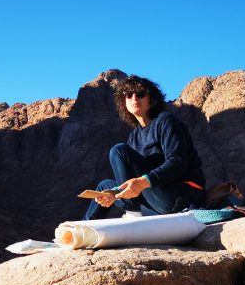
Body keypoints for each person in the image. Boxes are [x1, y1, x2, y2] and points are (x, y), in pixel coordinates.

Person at [83, 75, 206, 221]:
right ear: (123, 102)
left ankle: (132, 212)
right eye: (128, 95)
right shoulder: (134, 136)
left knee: (118, 150)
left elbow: (178, 162)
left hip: (183, 193)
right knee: (105, 188)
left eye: (140, 94)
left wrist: (142, 182)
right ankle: (79, 231)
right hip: (155, 195)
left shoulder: (166, 122)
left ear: (152, 99)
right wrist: (115, 192)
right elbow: (132, 178)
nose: (134, 99)